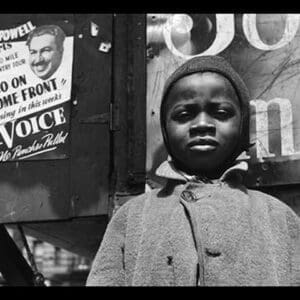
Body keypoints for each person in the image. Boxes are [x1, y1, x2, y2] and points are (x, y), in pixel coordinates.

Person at [86, 56, 300, 286]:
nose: (202, 124)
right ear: (165, 129)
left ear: (243, 123)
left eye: (221, 112)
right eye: (184, 115)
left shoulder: (278, 216)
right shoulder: (131, 217)